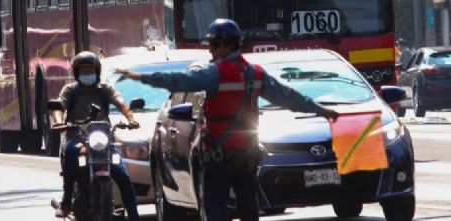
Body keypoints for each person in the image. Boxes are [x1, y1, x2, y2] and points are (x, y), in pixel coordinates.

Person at [115, 18, 339, 221]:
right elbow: (288, 97)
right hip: (247, 154)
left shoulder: (215, 74)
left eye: (212, 45)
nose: (210, 50)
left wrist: (140, 77)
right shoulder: (256, 74)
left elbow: (178, 81)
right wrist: (321, 110)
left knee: (215, 207)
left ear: (225, 45)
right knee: (248, 204)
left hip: (217, 156)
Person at [52, 51, 141, 220]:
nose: (87, 74)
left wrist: (131, 118)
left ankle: (134, 216)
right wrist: (58, 122)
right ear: (77, 73)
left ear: (97, 71)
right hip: (76, 138)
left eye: (90, 70)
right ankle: (66, 201)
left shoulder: (105, 89)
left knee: (123, 176)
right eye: (83, 71)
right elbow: (58, 107)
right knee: (70, 153)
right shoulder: (70, 90)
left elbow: (120, 101)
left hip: (103, 140)